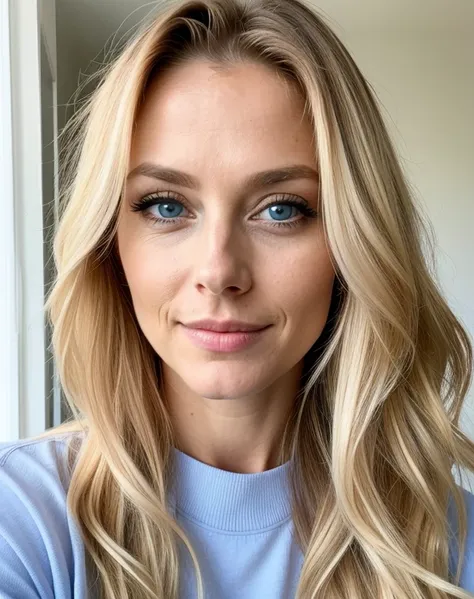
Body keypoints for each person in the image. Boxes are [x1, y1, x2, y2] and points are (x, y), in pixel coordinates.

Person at [1, 0, 474, 597]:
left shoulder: (447, 545)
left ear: (353, 244)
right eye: (167, 206)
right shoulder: (23, 520)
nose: (219, 270)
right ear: (110, 243)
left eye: (281, 209)